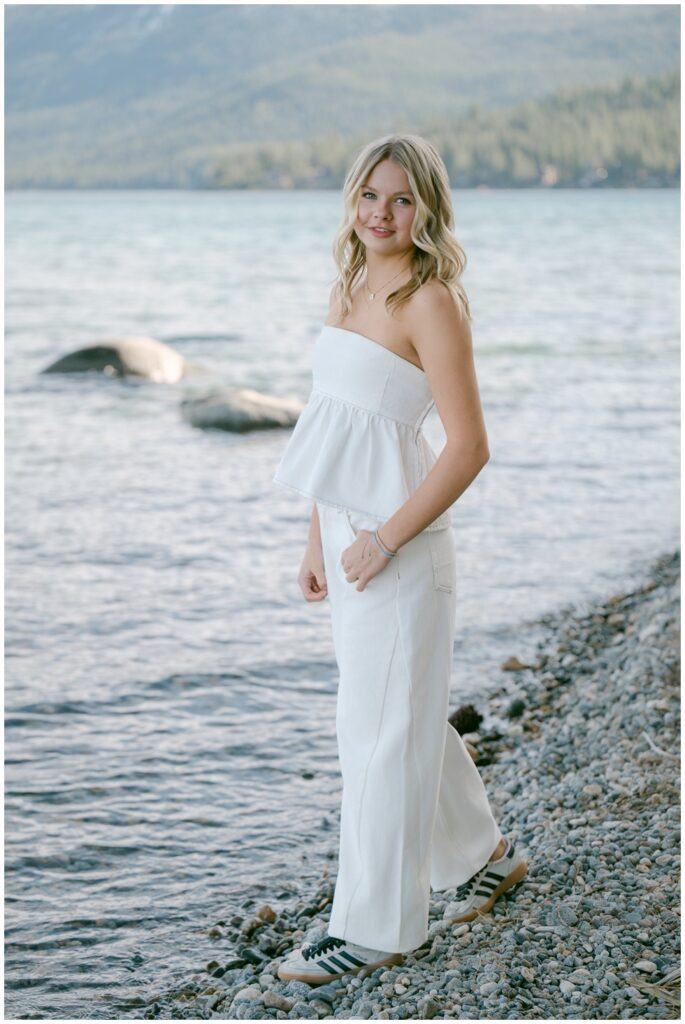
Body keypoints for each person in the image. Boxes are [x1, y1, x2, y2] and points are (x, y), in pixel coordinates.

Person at [271, 133, 527, 986]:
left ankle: (377, 926)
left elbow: (468, 447)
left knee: (376, 735)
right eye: (368, 196)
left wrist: (383, 539)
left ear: (426, 208)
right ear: (352, 201)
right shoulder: (349, 285)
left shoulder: (430, 299)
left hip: (402, 553)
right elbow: (334, 425)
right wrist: (319, 538)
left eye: (401, 199)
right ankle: (484, 858)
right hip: (351, 547)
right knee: (400, 715)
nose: (381, 214)